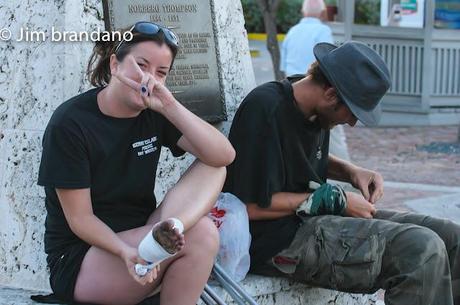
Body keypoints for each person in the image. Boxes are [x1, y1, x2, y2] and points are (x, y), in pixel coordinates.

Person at [224, 41, 460, 305]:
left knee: (451, 237)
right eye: (353, 112)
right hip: (277, 241)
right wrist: (337, 199)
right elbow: (249, 206)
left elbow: (296, 154)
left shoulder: (314, 108)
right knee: (421, 249)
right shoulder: (265, 109)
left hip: (316, 219)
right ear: (331, 94)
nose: (352, 122)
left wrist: (349, 171)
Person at [37, 21, 235, 305]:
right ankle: (161, 241)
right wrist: (124, 251)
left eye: (161, 73)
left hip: (145, 237)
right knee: (200, 233)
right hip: (86, 258)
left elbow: (223, 156)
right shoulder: (71, 123)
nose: (149, 79)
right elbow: (81, 219)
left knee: (207, 201)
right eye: (142, 65)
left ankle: (171, 231)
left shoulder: (154, 111)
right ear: (114, 64)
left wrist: (169, 106)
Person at [280, 0, 333, 76]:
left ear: (303, 11)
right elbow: (328, 59)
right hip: (312, 81)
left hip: (290, 80)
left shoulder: (292, 30)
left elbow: (283, 65)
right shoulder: (324, 30)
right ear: (322, 12)